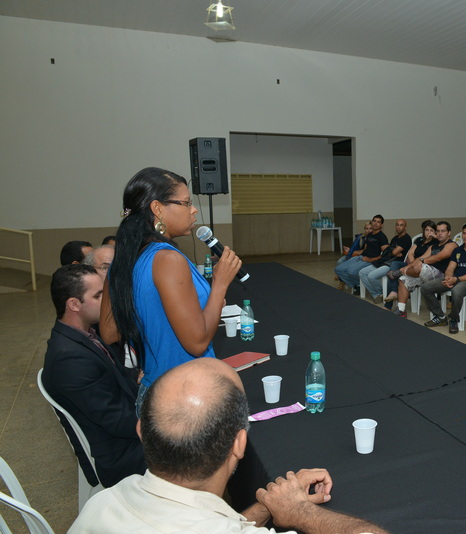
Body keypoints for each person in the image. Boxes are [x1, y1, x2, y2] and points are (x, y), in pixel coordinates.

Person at [69, 358, 388, 534]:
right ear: (239, 443)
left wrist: (268, 506)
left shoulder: (101, 505)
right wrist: (300, 512)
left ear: (142, 431)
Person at [100, 167, 242, 415]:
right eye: (186, 203)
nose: (193, 210)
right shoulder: (168, 259)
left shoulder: (124, 260)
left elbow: (109, 332)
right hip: (185, 399)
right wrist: (219, 285)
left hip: (152, 392)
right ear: (157, 208)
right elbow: (197, 343)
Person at [42, 264, 145, 487]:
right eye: (99, 296)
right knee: (203, 443)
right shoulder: (69, 359)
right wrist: (166, 423)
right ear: (74, 304)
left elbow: (112, 377)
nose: (108, 300)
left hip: (124, 431)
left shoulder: (85, 334)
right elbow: (116, 421)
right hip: (120, 455)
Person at [420, 222, 466, 334]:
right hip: (454, 279)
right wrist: (448, 277)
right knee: (425, 288)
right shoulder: (457, 250)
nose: (465, 236)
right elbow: (450, 268)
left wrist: (456, 279)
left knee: (456, 290)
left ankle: (453, 319)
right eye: (464, 233)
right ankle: (441, 317)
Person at [392, 221, 457, 318]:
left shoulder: (451, 244)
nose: (440, 233)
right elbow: (421, 257)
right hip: (426, 273)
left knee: (422, 267)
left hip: (443, 275)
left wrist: (421, 262)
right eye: (438, 231)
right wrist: (408, 266)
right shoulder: (433, 246)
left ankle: (401, 272)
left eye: (443, 231)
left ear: (449, 233)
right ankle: (401, 310)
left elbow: (439, 257)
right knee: (403, 280)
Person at [359, 219, 412, 303]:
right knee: (362, 273)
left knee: (371, 276)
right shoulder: (395, 238)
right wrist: (393, 251)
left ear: (405, 227)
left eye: (401, 225)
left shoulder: (406, 238)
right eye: (397, 225)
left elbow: (393, 252)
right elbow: (389, 251)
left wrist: (393, 252)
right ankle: (378, 294)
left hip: (393, 264)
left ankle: (385, 292)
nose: (398, 227)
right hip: (384, 261)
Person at [384, 219, 437, 304]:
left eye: (431, 230)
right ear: (423, 231)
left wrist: (436, 237)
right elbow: (410, 253)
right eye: (427, 230)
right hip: (411, 264)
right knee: (394, 264)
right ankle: (394, 292)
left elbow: (424, 257)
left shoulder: (435, 243)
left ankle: (399, 273)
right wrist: (412, 264)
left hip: (422, 267)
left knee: (393, 274)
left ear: (435, 232)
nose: (429, 233)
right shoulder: (419, 240)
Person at [334, 214, 388, 292]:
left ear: (381, 225)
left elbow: (385, 254)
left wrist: (370, 259)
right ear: (372, 222)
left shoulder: (382, 237)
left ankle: (359, 285)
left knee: (351, 271)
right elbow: (364, 250)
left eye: (378, 222)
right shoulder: (369, 235)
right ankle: (357, 285)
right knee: (338, 269)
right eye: (374, 221)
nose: (376, 223)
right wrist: (350, 251)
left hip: (369, 260)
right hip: (360, 257)